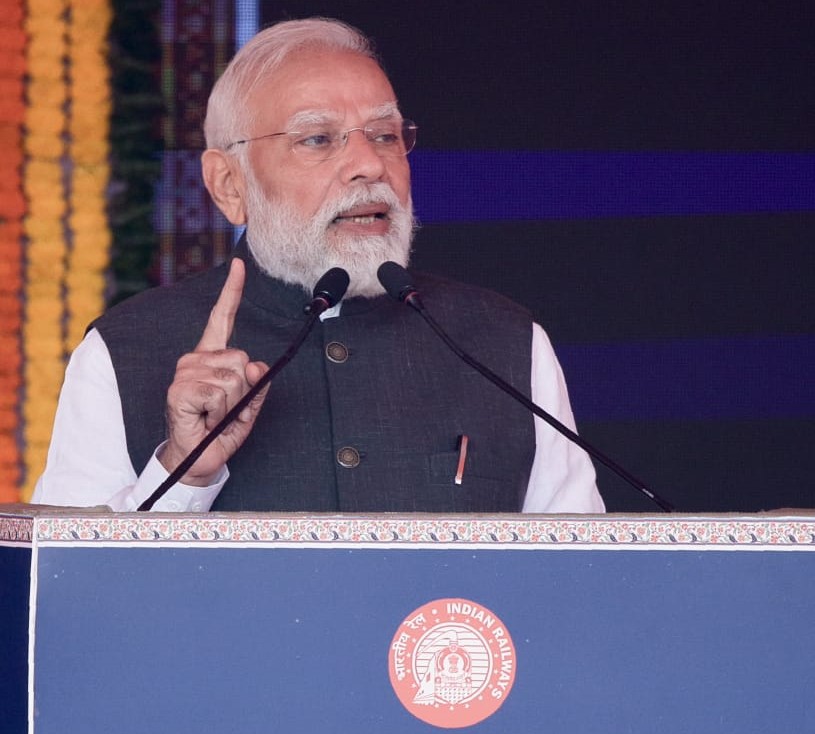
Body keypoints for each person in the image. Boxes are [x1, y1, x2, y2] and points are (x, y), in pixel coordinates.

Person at [32, 18, 604, 514]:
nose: (369, 165)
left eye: (385, 135)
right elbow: (67, 586)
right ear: (229, 184)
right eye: (318, 139)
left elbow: (582, 580)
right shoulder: (124, 349)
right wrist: (186, 471)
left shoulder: (505, 344)